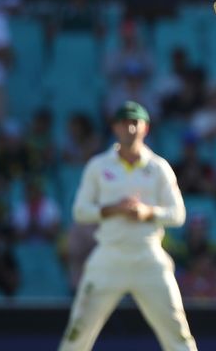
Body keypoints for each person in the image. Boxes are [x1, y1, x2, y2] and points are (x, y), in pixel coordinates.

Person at [58, 101, 197, 351]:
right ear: (115, 128)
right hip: (109, 256)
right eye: (124, 123)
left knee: (177, 333)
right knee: (78, 331)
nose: (130, 129)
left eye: (135, 123)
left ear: (145, 128)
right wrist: (113, 209)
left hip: (148, 257)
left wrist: (147, 212)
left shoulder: (158, 168)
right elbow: (80, 212)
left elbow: (177, 215)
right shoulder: (99, 166)